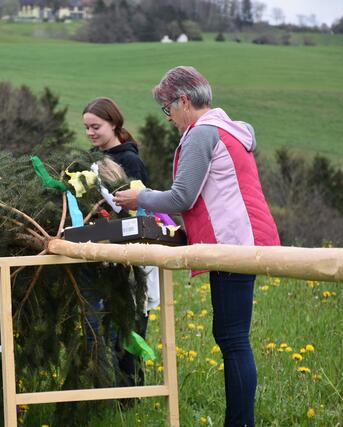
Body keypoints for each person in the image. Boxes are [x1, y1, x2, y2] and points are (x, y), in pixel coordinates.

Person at [114, 66, 280, 427]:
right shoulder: (226, 129)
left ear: (184, 101)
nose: (169, 118)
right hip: (242, 239)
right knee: (232, 336)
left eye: (168, 109)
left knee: (233, 338)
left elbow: (181, 196)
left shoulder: (201, 134)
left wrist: (140, 196)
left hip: (232, 243)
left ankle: (240, 422)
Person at [82, 97, 158, 389]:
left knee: (129, 328)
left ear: (114, 123)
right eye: (87, 127)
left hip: (128, 253)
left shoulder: (129, 160)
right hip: (101, 252)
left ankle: (130, 395)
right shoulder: (88, 159)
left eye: (96, 126)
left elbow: (138, 208)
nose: (90, 132)